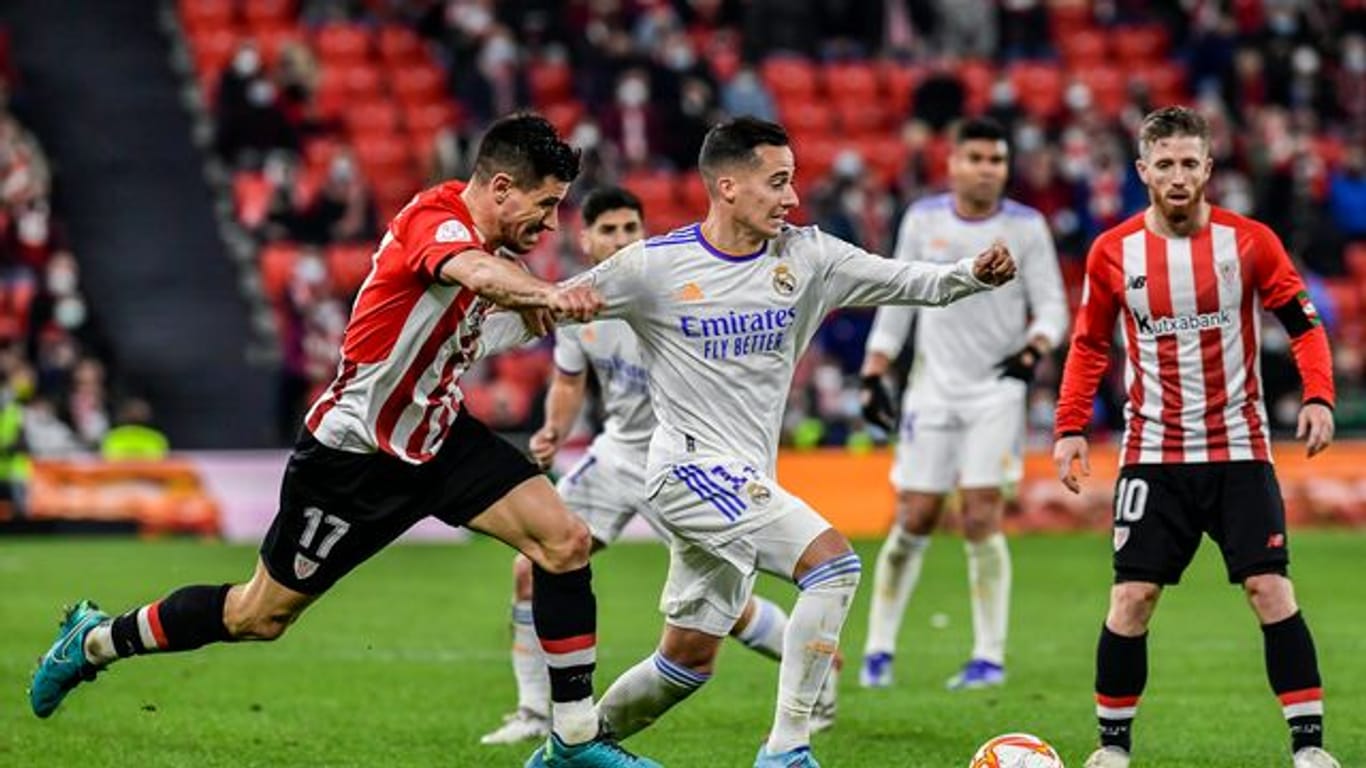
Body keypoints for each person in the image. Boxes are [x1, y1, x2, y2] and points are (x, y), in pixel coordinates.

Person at [27, 114, 659, 768]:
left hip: (438, 439)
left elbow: (481, 305)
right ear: (500, 188)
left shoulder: (500, 258)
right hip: (352, 459)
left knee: (564, 543)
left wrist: (543, 306)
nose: (552, 223)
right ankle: (95, 641)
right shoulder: (435, 222)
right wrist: (547, 295)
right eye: (545, 205)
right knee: (258, 616)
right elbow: (470, 272)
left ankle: (575, 741)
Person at [486, 116, 1017, 768]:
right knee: (834, 566)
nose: (792, 198)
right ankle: (787, 752)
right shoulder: (655, 267)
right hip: (685, 470)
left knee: (686, 661)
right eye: (778, 182)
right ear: (728, 186)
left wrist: (972, 273)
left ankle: (568, 751)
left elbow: (909, 281)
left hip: (743, 475)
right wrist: (449, 347)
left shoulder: (809, 258)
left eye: (792, 182)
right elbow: (545, 310)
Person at [481, 186, 837, 746]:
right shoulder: (580, 304)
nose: (622, 239)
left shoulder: (670, 288)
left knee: (721, 609)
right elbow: (570, 381)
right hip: (617, 454)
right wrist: (555, 429)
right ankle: (533, 710)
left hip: (687, 464)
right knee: (531, 567)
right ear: (586, 238)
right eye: (610, 230)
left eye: (631, 229)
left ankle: (819, 673)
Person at [1052, 107, 1339, 768]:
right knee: (1133, 597)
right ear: (1142, 171)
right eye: (1165, 164)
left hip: (1240, 449)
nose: (1178, 176)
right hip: (1153, 455)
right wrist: (1070, 426)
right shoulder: (1112, 252)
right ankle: (1112, 751)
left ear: (1208, 168)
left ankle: (1310, 750)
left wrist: (1319, 395)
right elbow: (1090, 343)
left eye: (1190, 163)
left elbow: (1304, 323)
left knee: (1270, 589)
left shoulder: (1250, 242)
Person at [857, 118, 1069, 691]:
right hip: (932, 388)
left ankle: (989, 656)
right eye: (975, 158)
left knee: (980, 515)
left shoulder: (1027, 227)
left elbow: (1052, 305)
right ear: (952, 163)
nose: (986, 169)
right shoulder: (923, 219)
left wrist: (1034, 351)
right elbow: (897, 296)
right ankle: (878, 648)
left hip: (997, 390)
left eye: (996, 160)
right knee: (915, 517)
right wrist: (876, 367)